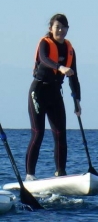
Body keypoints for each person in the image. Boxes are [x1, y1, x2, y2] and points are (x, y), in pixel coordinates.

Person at [25, 14, 82, 179]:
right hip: (38, 91)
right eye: (57, 27)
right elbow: (44, 59)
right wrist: (60, 67)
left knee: (60, 134)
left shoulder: (69, 49)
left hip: (55, 93)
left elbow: (74, 77)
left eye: (64, 27)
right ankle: (30, 175)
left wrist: (77, 101)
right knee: (38, 133)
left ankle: (60, 173)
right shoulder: (45, 43)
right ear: (51, 28)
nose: (61, 30)